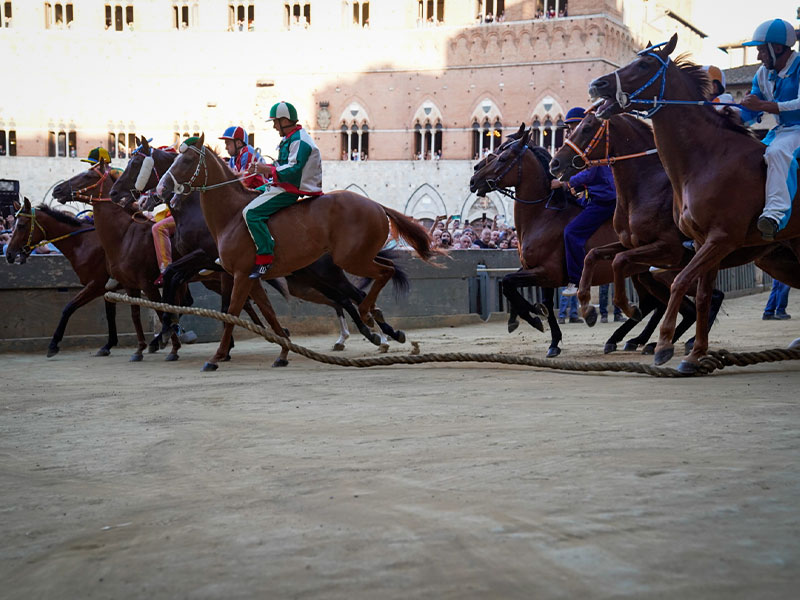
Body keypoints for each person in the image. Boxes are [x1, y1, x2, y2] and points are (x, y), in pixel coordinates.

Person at [246, 101, 322, 278]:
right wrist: (261, 168)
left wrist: (267, 169)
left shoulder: (300, 140)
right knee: (251, 195)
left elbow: (294, 171)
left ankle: (265, 257)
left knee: (251, 213)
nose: (273, 126)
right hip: (285, 184)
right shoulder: (291, 138)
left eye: (275, 122)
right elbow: (283, 165)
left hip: (292, 188)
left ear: (284, 120)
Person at [740, 18, 800, 241]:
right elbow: (751, 110)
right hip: (782, 131)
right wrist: (733, 116)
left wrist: (763, 106)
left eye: (761, 51)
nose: (758, 57)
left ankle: (775, 217)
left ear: (777, 48)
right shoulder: (762, 73)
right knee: (747, 156)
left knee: (777, 152)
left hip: (797, 131)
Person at [552, 106, 617, 296]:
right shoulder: (582, 144)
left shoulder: (593, 144)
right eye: (570, 127)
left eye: (574, 126)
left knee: (571, 232)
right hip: (592, 197)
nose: (571, 131)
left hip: (604, 199)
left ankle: (576, 280)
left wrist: (564, 182)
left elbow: (591, 172)